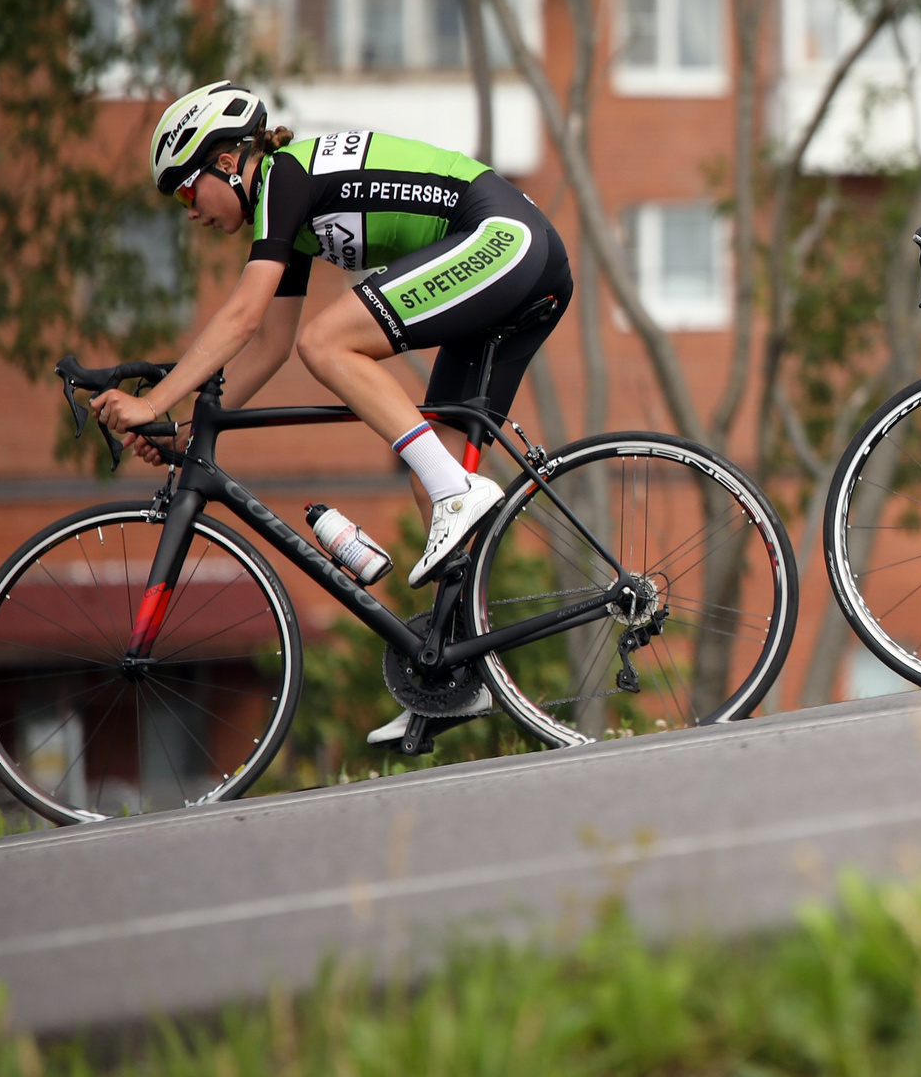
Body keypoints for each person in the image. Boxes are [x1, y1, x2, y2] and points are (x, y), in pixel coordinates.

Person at [95, 80, 574, 743]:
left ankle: (457, 489)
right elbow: (266, 348)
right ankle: (456, 675)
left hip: (501, 239)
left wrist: (153, 397)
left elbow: (242, 316)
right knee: (425, 463)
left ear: (228, 161)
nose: (188, 211)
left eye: (183, 189)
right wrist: (180, 427)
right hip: (515, 257)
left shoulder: (285, 176)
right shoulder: (282, 213)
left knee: (333, 341)